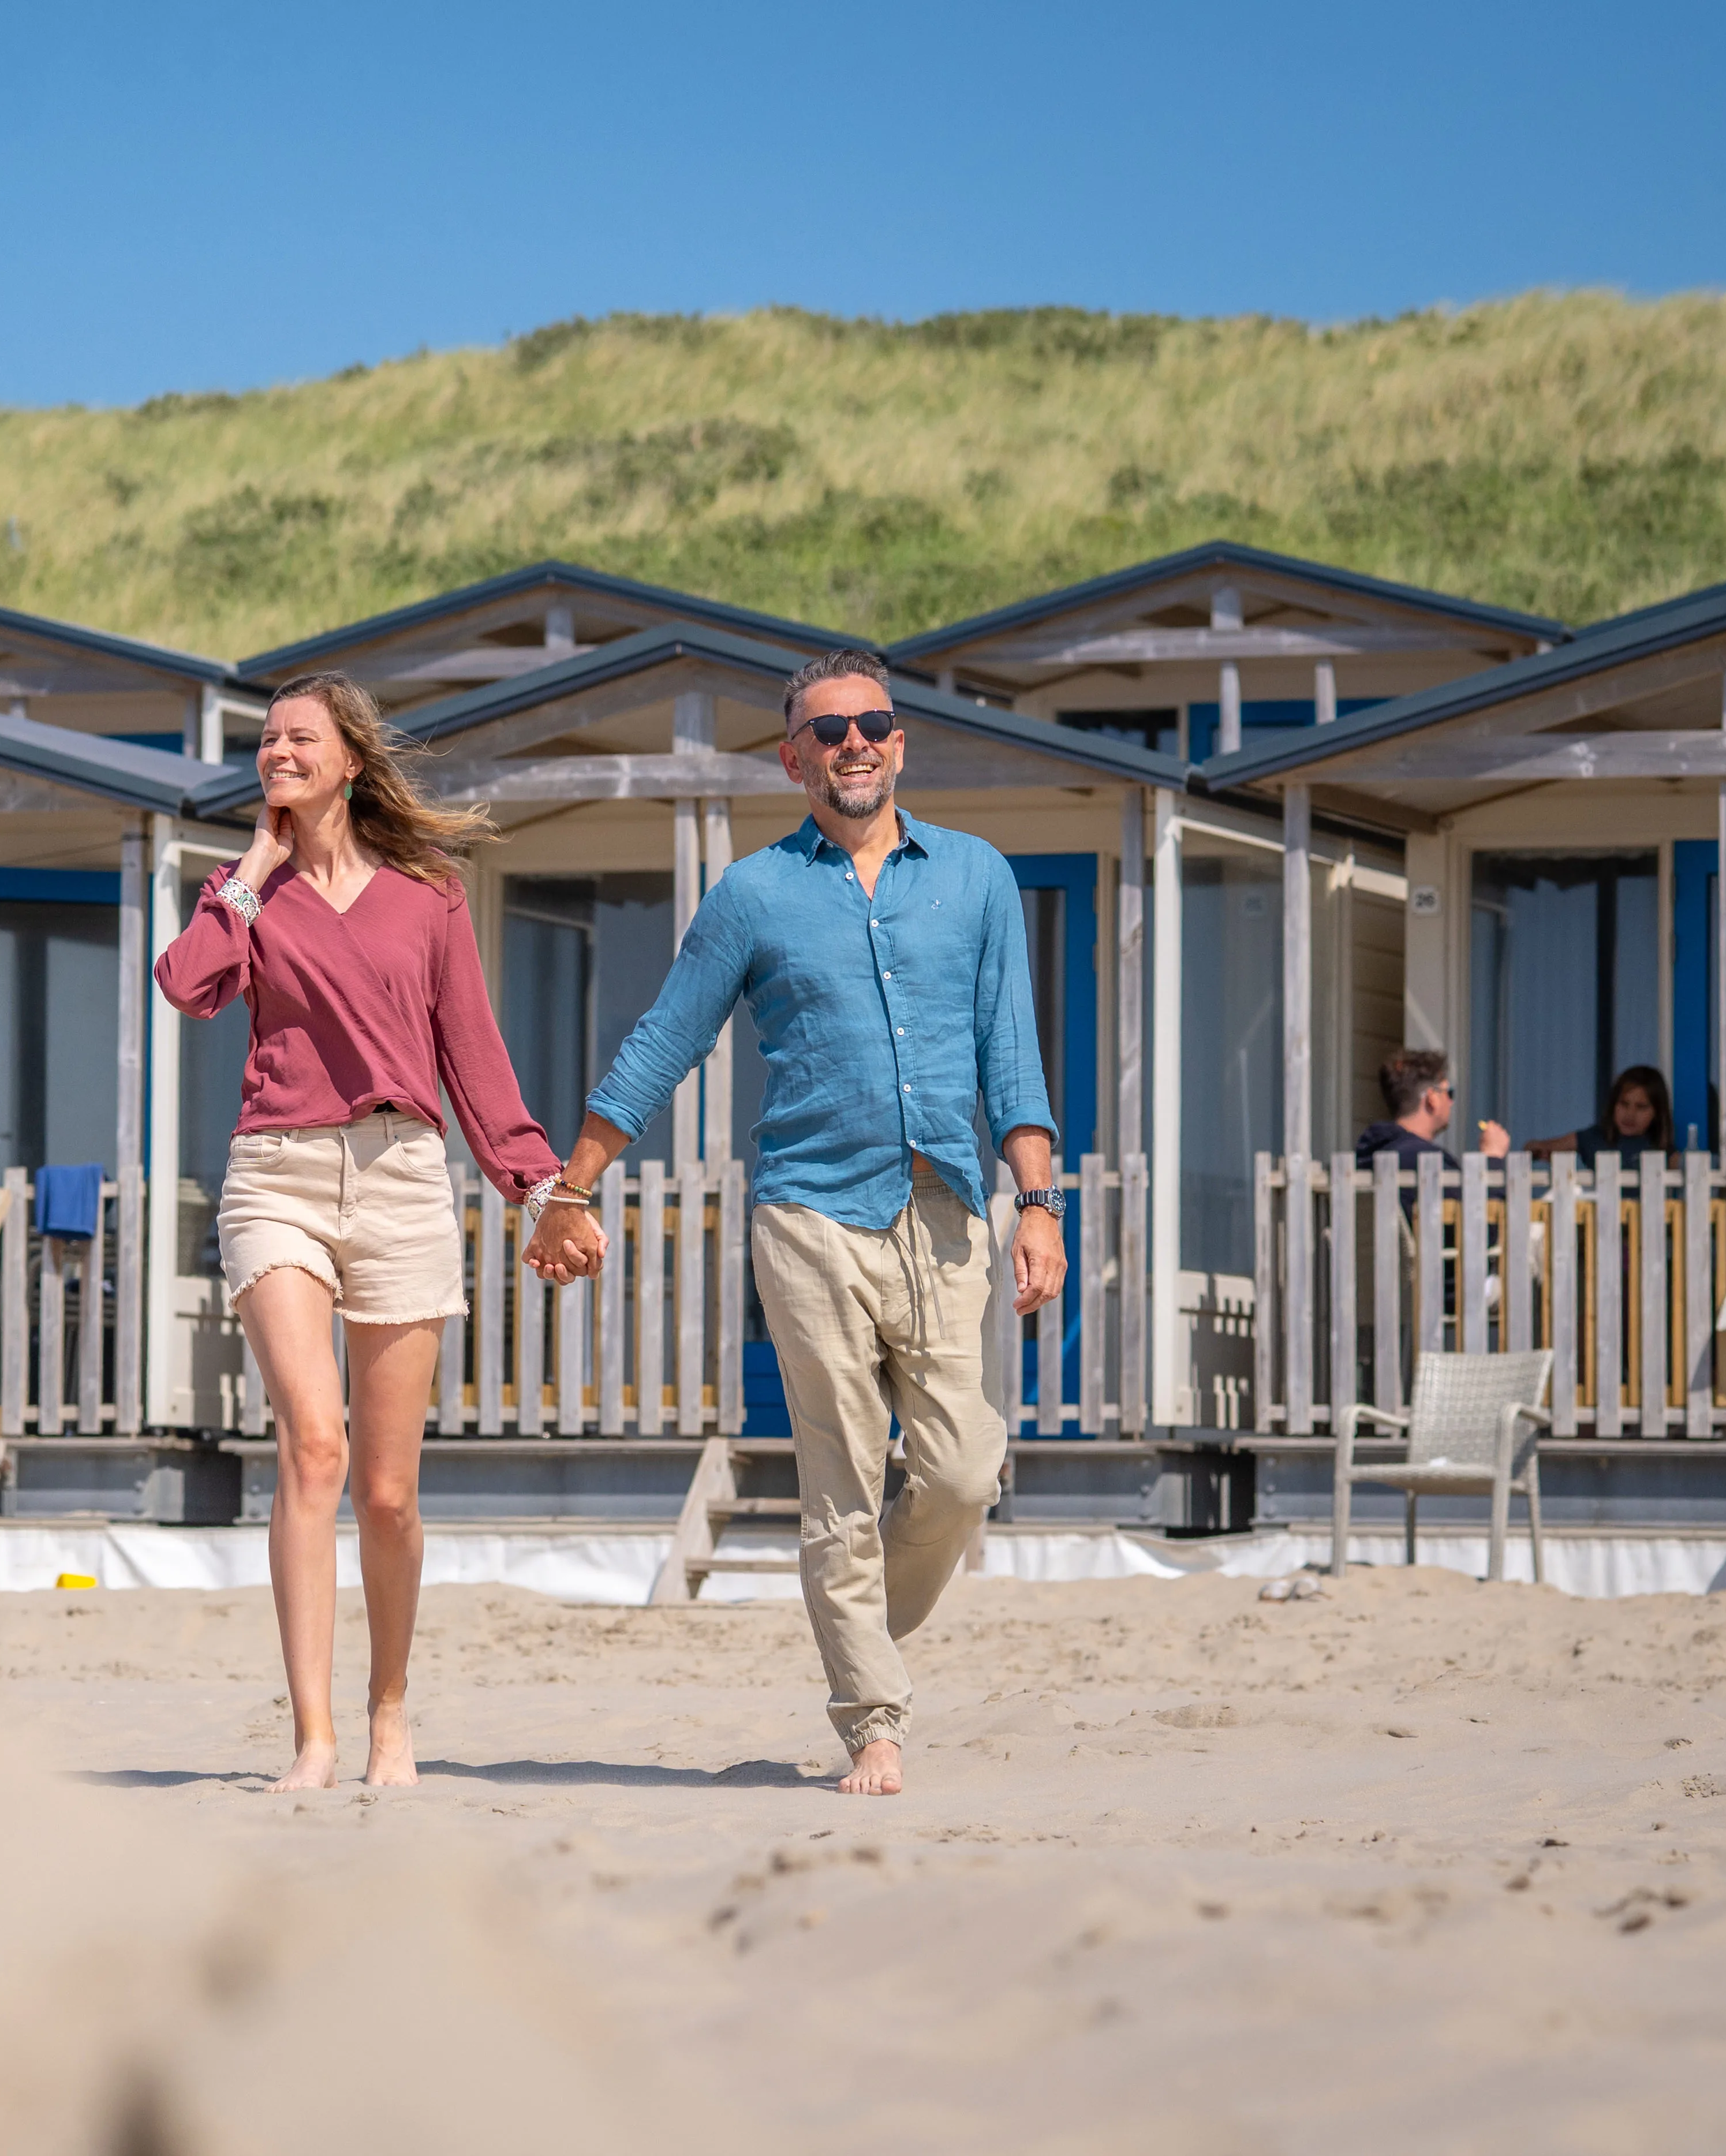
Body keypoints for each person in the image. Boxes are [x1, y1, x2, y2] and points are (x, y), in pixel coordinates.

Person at [522, 648, 1063, 1798]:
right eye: (827, 731)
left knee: (964, 1470)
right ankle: (871, 1717)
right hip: (809, 1215)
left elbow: (1010, 1053)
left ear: (899, 742)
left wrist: (1040, 1204)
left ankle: (858, 1622)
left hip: (944, 1212)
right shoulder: (754, 894)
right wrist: (572, 1184)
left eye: (871, 724)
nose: (851, 744)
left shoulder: (972, 877)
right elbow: (661, 1044)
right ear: (792, 758)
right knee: (841, 1477)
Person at [155, 671, 569, 1792]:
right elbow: (188, 988)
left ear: (347, 761)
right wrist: (248, 868)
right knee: (313, 1445)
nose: (277, 752)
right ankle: (314, 1735)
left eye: (300, 739)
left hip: (399, 1179)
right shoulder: (246, 898)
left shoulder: (426, 897)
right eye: (266, 741)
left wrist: (537, 1185)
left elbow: (475, 1059)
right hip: (276, 1175)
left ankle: (389, 1711)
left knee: (386, 1491)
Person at [1357, 1047, 1511, 1169]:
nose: (1451, 1102)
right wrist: (1493, 1158)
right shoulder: (1427, 1162)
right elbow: (1475, 1207)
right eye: (1448, 1093)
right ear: (1432, 1099)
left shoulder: (1368, 1155)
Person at [1526, 1064, 1675, 1163]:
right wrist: (1540, 1151)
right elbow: (1533, 1146)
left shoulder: (1661, 1149)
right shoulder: (1595, 1138)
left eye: (1641, 1107)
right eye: (1624, 1104)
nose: (1630, 1114)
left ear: (1657, 1113)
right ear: (1613, 1104)